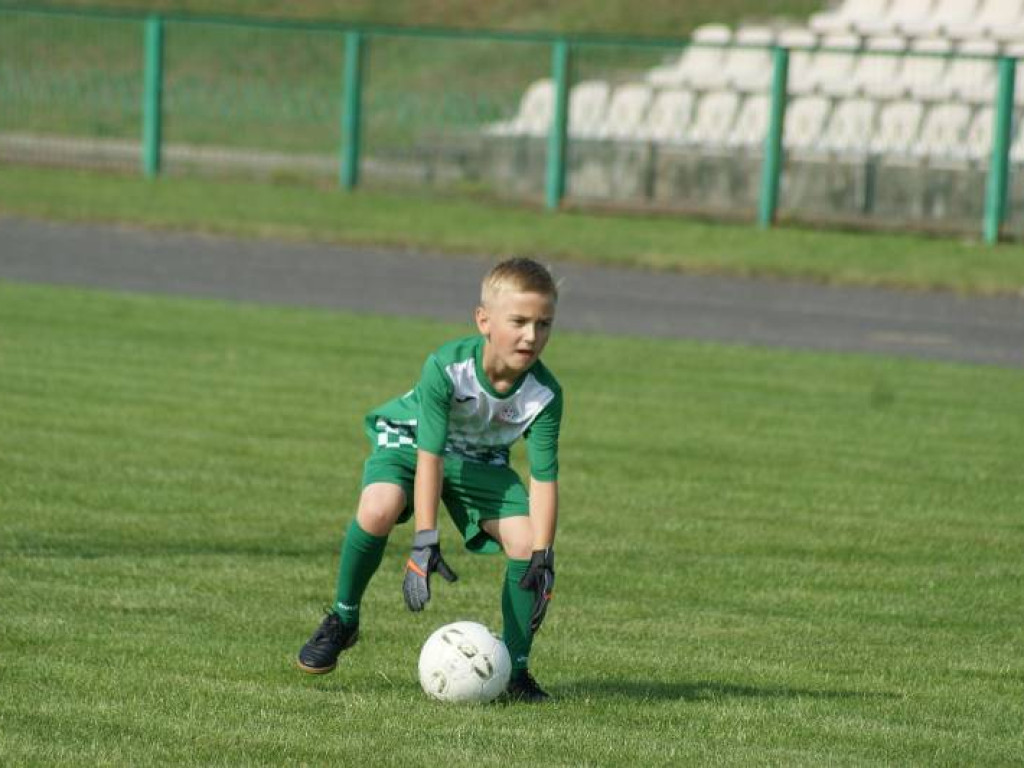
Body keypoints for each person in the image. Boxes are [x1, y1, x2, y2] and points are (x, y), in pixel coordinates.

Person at [296, 257, 563, 702]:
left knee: (525, 540)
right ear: (484, 320)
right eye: (518, 321)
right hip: (411, 444)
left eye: (544, 324)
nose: (531, 336)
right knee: (378, 507)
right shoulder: (446, 366)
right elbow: (430, 456)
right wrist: (425, 538)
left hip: (480, 461)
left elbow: (544, 478)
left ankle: (515, 671)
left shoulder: (545, 393)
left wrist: (543, 555)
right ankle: (343, 619)